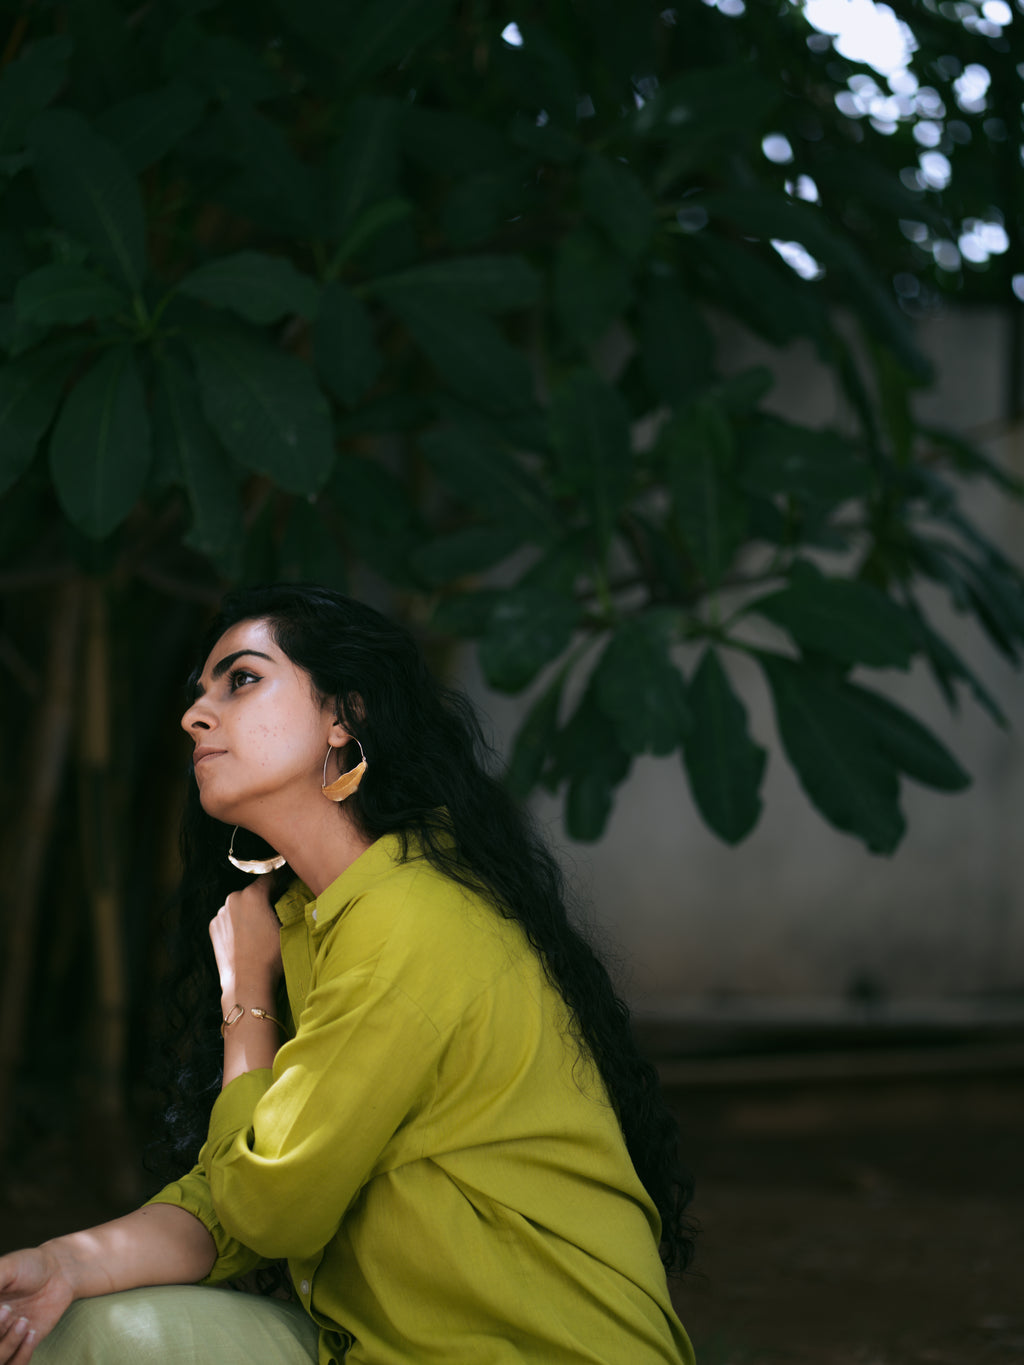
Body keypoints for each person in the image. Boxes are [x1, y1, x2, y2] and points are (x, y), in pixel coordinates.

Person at [0, 584, 696, 1364]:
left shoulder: (410, 919)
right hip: (379, 1347)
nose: (195, 714)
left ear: (345, 715)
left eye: (241, 679)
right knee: (64, 1330)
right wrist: (64, 1263)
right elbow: (235, 1194)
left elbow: (270, 1207)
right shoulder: (316, 917)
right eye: (199, 693)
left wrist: (245, 1000)